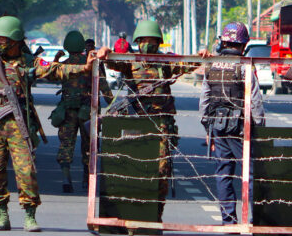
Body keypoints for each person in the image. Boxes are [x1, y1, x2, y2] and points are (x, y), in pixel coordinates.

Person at [0, 16, 107, 232]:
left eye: (2, 39)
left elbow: (56, 70)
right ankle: (1, 214)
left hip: (19, 122)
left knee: (26, 170)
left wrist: (85, 68)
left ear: (14, 40)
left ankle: (30, 215)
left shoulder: (31, 63)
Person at [105, 20, 195, 220]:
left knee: (162, 171)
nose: (149, 44)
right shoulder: (130, 61)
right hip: (135, 124)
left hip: (161, 124)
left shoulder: (165, 62)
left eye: (153, 40)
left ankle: (155, 214)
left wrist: (201, 57)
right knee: (134, 169)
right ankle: (132, 211)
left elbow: (187, 65)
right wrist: (105, 52)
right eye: (145, 40)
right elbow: (113, 62)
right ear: (138, 41)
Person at [198, 22, 265, 225]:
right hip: (241, 128)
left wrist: (207, 128)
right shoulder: (244, 66)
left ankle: (228, 219)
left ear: (223, 42)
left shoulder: (212, 65)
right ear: (243, 45)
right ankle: (255, 218)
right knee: (251, 172)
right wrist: (260, 127)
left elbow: (204, 101)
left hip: (218, 127)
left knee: (224, 173)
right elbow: (254, 100)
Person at [52, 30, 113, 193]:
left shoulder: (63, 65)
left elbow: (50, 75)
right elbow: (104, 86)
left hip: (67, 112)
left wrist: (56, 60)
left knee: (66, 145)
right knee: (90, 146)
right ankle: (88, 179)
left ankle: (66, 178)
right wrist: (112, 103)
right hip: (88, 111)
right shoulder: (92, 64)